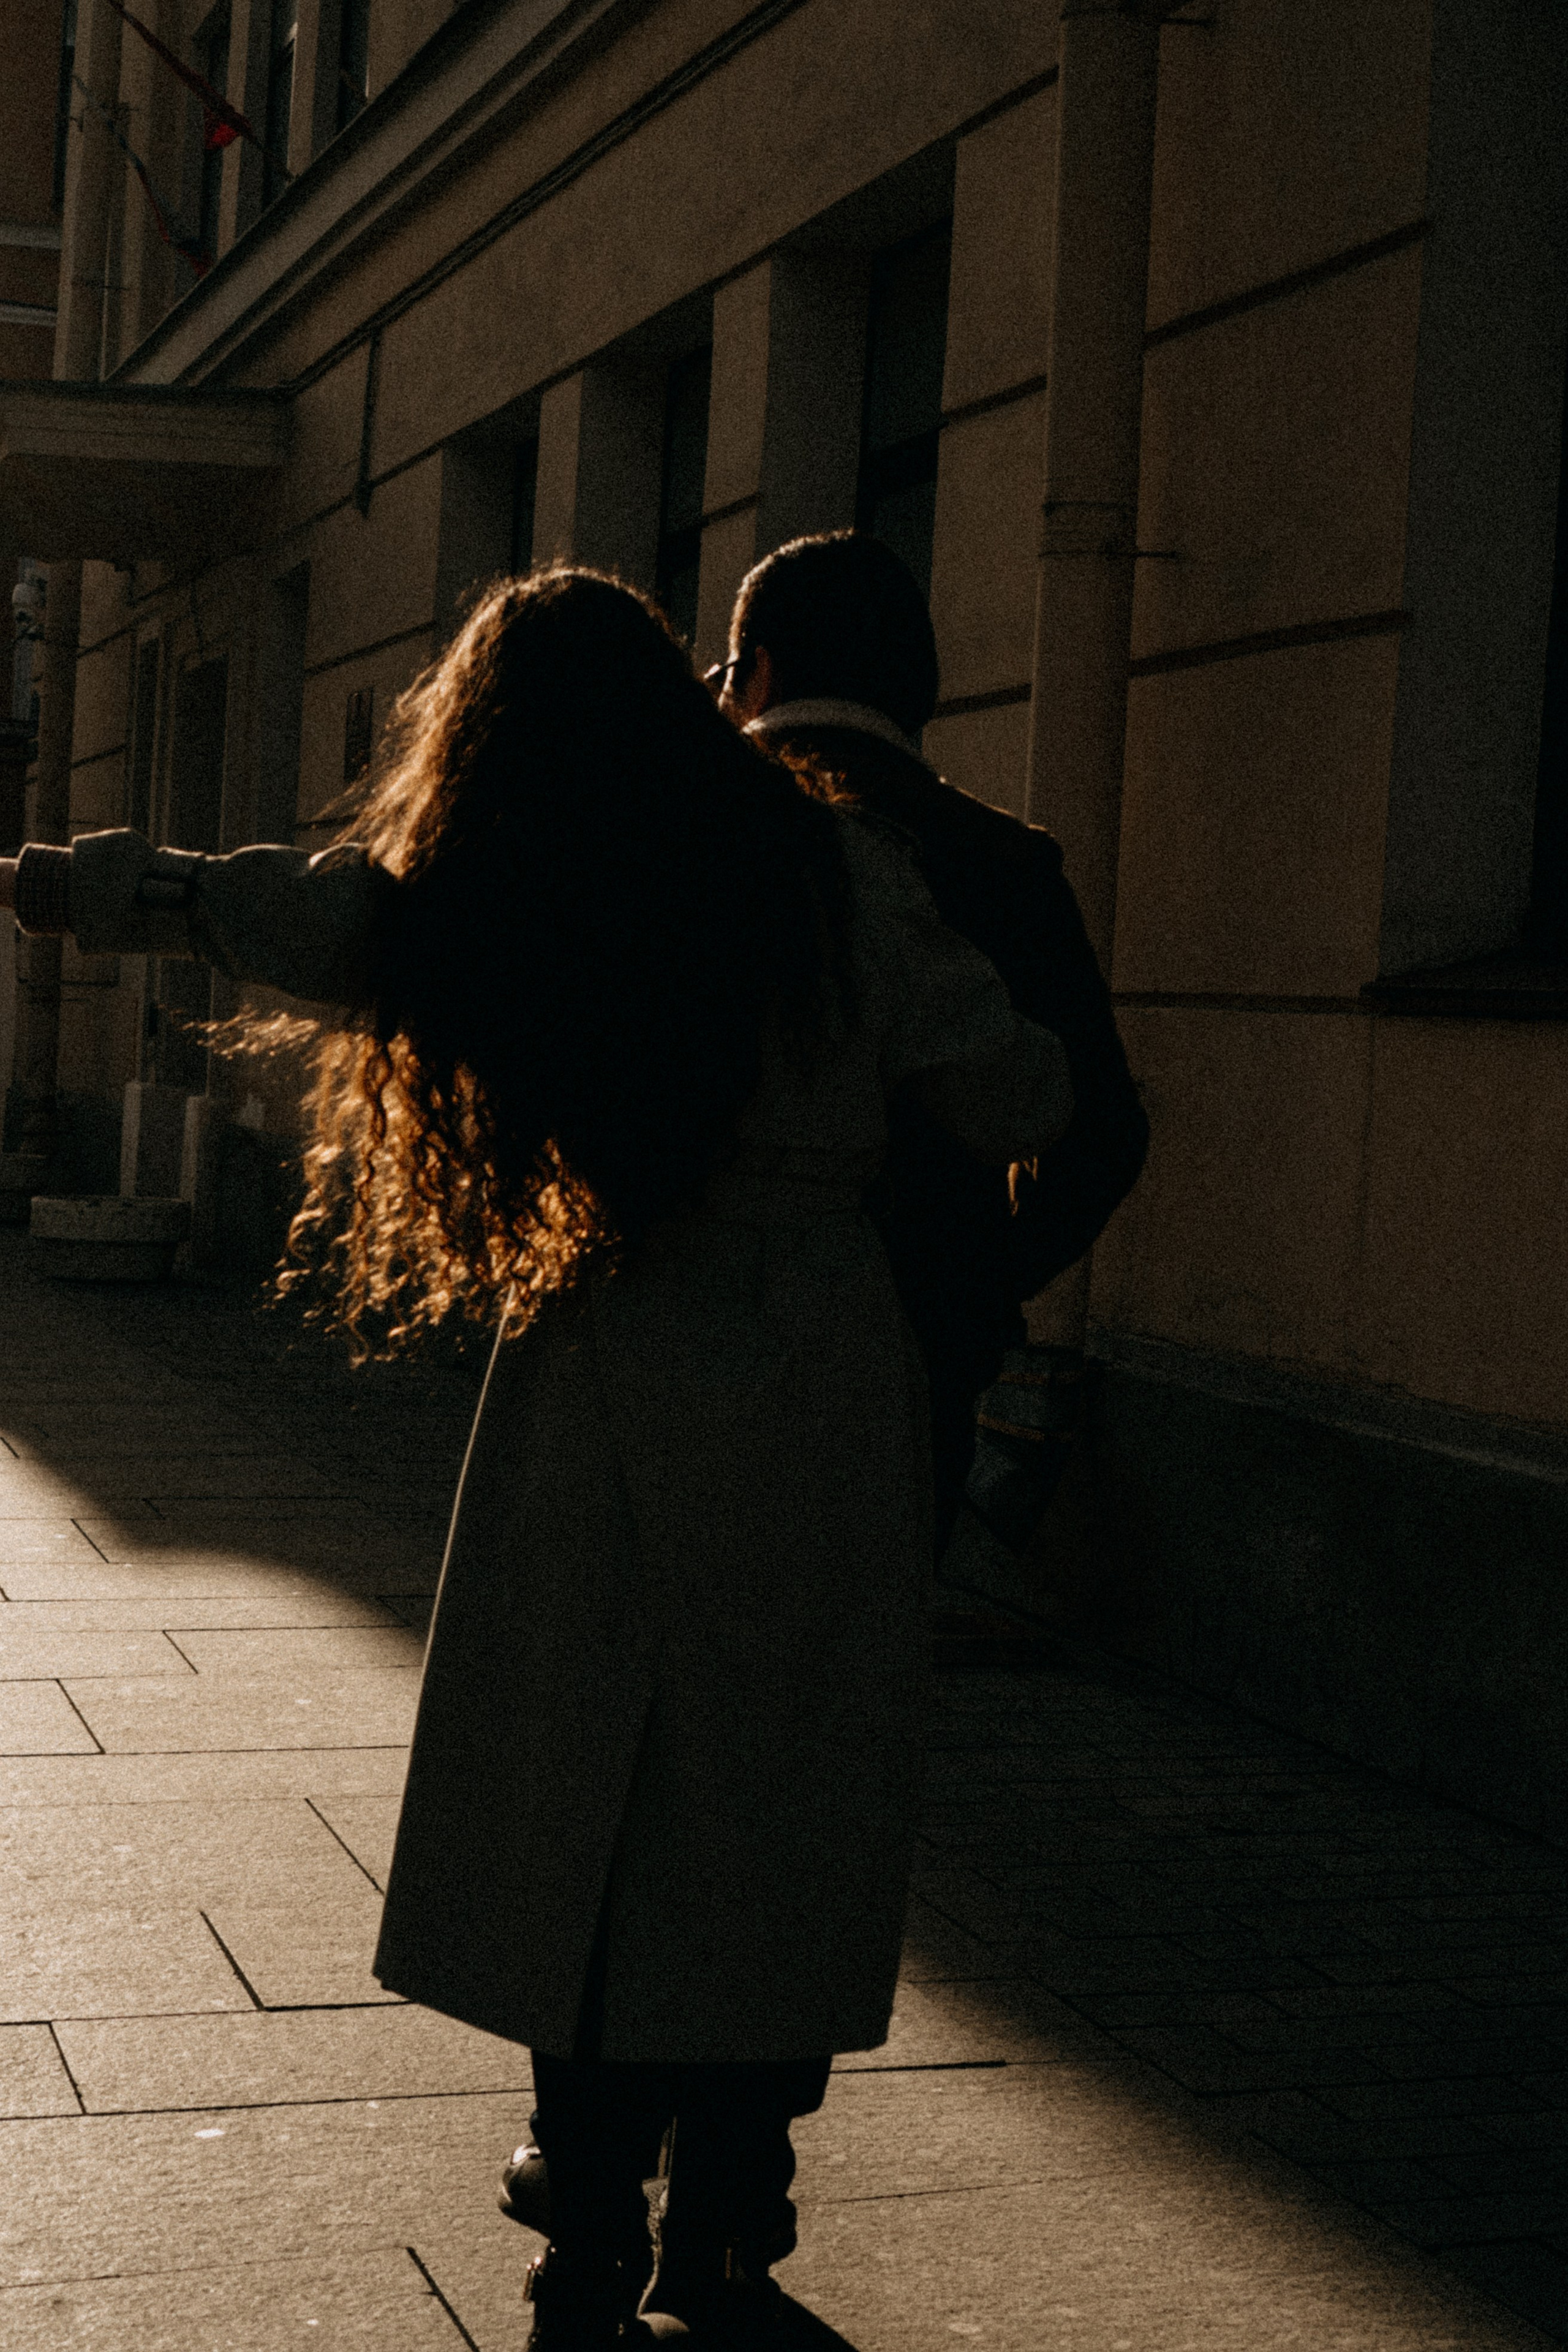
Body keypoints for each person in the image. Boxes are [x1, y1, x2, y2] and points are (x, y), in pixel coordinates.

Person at [0, 568, 1072, 2350]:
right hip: (813, 1376)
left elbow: (291, 913)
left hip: (601, 1357)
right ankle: (732, 2208)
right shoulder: (833, 877)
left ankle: (583, 2203)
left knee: (579, 1782)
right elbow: (1024, 1096)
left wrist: (81, 882)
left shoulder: (516, 893)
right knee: (773, 1794)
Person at [717, 530, 1148, 1556]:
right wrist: (976, 1282)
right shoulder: (1007, 864)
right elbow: (1102, 1126)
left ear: (757, 669)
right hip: (919, 1338)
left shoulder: (696, 830)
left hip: (688, 1320)